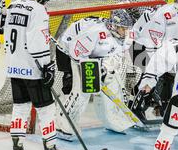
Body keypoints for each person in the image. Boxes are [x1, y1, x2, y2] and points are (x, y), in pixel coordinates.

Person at [4, 0, 71, 150]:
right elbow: (37, 42)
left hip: (14, 66)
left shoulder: (13, 6)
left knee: (20, 107)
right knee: (46, 108)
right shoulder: (39, 10)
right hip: (33, 68)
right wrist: (47, 65)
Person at [54, 10, 136, 138]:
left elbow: (117, 54)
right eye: (123, 28)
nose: (126, 32)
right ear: (113, 26)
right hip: (70, 49)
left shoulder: (126, 36)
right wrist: (93, 71)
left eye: (127, 28)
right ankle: (62, 123)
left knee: (113, 83)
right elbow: (77, 53)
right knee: (82, 90)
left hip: (95, 53)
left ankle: (113, 120)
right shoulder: (95, 32)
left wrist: (105, 68)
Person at [130, 0, 178, 119]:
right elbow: (152, 41)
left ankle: (170, 104)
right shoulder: (164, 14)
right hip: (143, 48)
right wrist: (159, 65)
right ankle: (139, 106)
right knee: (153, 76)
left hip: (168, 50)